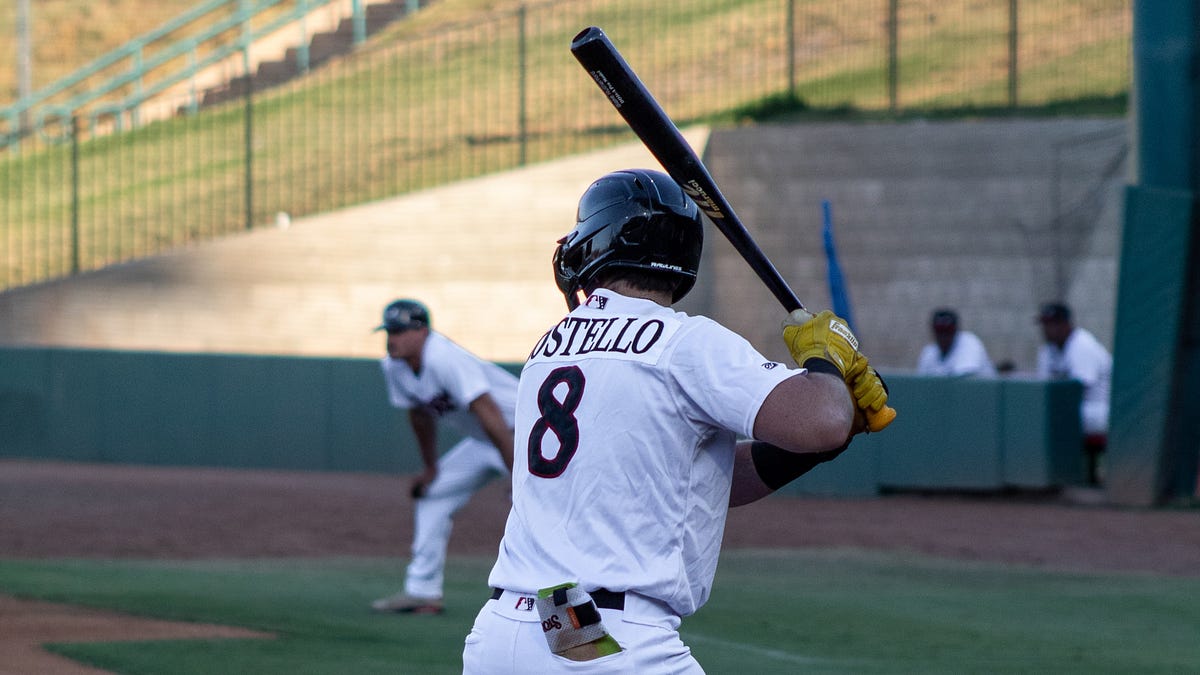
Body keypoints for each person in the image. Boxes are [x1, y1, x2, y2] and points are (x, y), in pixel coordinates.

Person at [461, 169, 893, 672]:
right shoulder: (685, 343)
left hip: (527, 627)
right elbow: (821, 418)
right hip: (605, 636)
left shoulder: (548, 350)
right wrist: (826, 360)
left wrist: (823, 444)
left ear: (600, 241)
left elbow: (693, 484)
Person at [369, 298, 516, 615]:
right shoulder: (393, 366)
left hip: (524, 435)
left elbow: (488, 412)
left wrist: (518, 474)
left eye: (400, 331)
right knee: (432, 494)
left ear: (422, 331)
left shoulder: (444, 358)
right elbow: (419, 415)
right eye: (389, 331)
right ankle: (423, 592)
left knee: (539, 508)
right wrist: (431, 467)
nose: (391, 338)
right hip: (485, 439)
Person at [1036, 301, 1112, 485]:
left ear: (1065, 324)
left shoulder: (1082, 345)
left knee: (1057, 419)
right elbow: (1042, 388)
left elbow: (1077, 390)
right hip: (1078, 409)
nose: (1046, 329)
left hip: (1100, 409)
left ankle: (1069, 477)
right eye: (1044, 324)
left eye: (1051, 324)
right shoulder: (1048, 350)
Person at [915, 308, 997, 377]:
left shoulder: (970, 343)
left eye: (948, 331)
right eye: (940, 331)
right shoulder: (929, 352)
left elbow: (961, 382)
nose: (943, 336)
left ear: (956, 330)